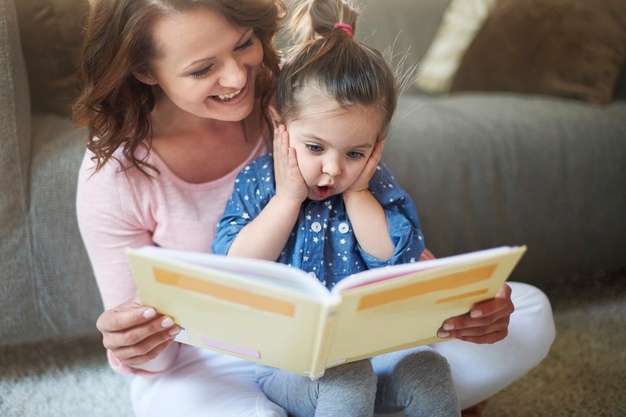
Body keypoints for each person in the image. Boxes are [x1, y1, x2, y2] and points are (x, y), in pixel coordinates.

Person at [73, 0, 555, 416]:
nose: (237, 77)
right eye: (202, 69)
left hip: (355, 340)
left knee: (530, 312)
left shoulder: (302, 93)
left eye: (243, 44)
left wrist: (459, 304)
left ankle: (361, 399)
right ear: (145, 71)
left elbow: (379, 235)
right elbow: (155, 355)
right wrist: (136, 342)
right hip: (217, 359)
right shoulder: (115, 177)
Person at [211, 1, 460, 415]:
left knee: (427, 366)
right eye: (314, 148)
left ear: (377, 144)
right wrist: (288, 199)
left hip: (374, 348)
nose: (332, 170)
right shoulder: (260, 183)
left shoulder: (372, 186)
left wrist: (359, 194)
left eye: (355, 152)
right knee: (345, 374)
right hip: (284, 363)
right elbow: (234, 266)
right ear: (279, 123)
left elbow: (393, 257)